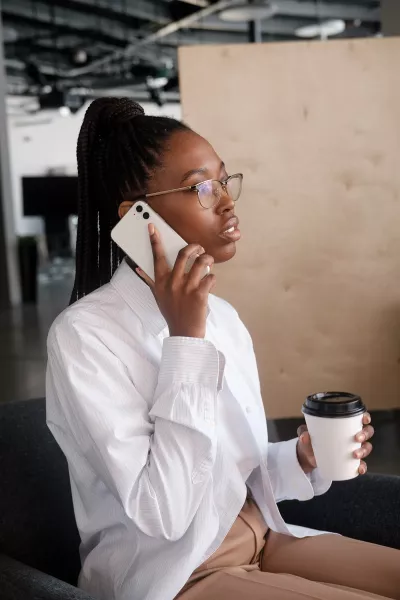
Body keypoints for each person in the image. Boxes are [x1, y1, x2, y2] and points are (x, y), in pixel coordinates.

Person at [46, 98, 399, 600]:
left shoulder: (224, 317)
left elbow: (232, 475)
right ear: (137, 217)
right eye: (200, 188)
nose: (228, 202)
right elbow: (163, 514)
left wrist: (301, 458)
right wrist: (185, 341)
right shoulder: (84, 337)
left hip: (264, 539)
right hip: (178, 574)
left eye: (225, 181)